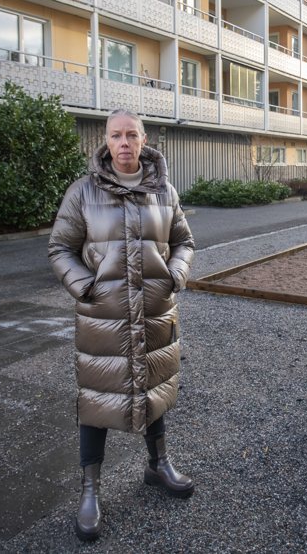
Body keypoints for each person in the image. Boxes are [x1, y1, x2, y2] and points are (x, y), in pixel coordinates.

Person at [48, 108, 195, 541]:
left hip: (154, 312)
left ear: (145, 139)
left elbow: (184, 241)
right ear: (106, 141)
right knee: (96, 396)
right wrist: (85, 288)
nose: (125, 142)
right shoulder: (82, 193)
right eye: (117, 135)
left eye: (132, 134)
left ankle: (158, 464)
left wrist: (175, 275)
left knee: (154, 385)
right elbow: (60, 248)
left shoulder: (164, 191)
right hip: (104, 317)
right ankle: (90, 489)